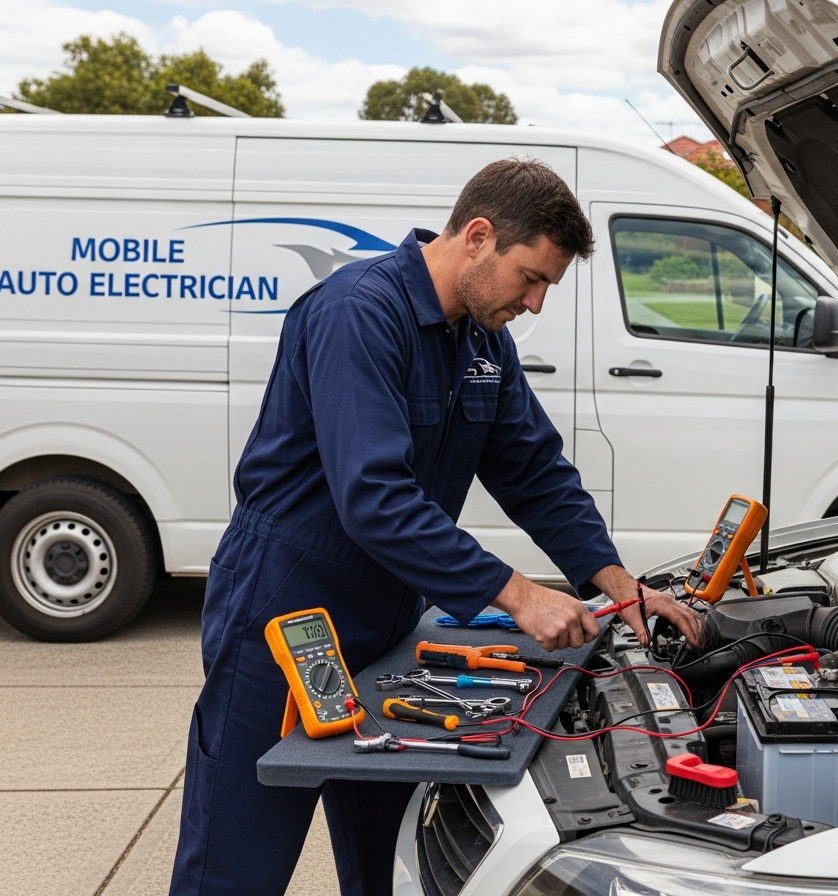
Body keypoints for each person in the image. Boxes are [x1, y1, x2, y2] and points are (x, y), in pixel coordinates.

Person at [170, 159, 701, 896]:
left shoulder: (481, 339)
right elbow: (376, 498)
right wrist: (518, 595)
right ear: (478, 236)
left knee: (391, 860)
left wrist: (617, 585)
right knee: (238, 861)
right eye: (532, 277)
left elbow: (534, 470)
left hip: (386, 619)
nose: (538, 302)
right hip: (284, 613)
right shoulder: (360, 312)